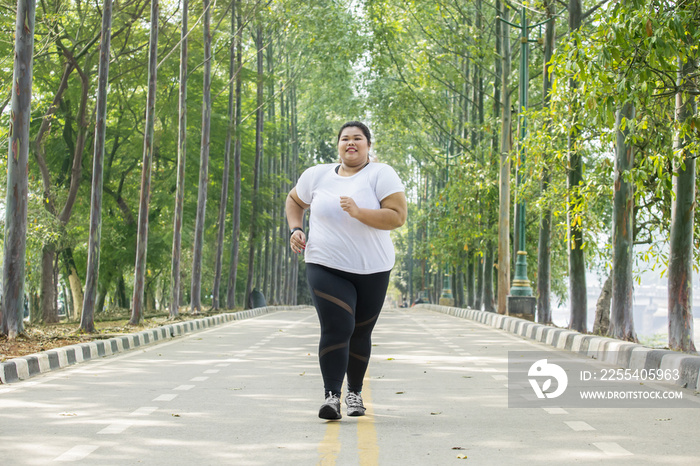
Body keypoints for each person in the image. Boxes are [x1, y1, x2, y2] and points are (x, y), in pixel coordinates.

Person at [285, 121, 407, 420]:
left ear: (368, 145)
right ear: (338, 144)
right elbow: (294, 200)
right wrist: (296, 228)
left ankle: (354, 393)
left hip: (373, 268)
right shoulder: (316, 175)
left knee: (360, 332)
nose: (350, 143)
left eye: (357, 139)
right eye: (345, 139)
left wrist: (359, 212)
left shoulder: (381, 174)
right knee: (338, 326)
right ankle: (331, 397)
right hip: (324, 263)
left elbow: (397, 217)